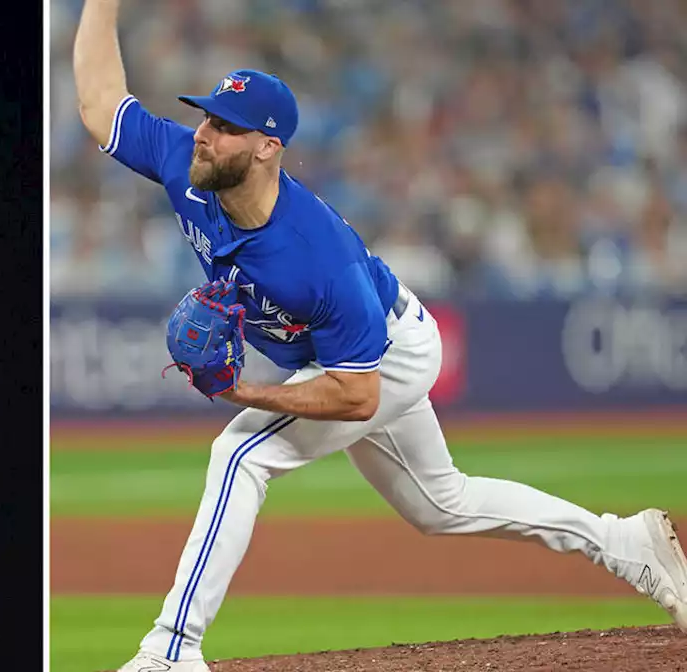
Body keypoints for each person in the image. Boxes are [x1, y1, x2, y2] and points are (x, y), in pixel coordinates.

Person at [69, 1, 687, 670]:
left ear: (267, 147)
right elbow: (101, 103)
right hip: (349, 354)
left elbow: (358, 396)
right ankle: (622, 541)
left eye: (225, 126)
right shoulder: (185, 169)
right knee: (440, 505)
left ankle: (170, 649)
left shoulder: (314, 257)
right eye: (207, 117)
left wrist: (242, 390)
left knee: (241, 455)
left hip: (384, 357)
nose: (203, 133)